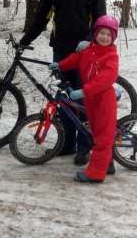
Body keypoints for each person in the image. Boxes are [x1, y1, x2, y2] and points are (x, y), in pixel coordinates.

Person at [19, 0, 106, 166]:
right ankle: (68, 144)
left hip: (86, 53)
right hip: (61, 52)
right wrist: (24, 41)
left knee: (84, 100)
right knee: (64, 100)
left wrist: (89, 41)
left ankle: (85, 146)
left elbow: (100, 20)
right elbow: (41, 18)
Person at [50, 15, 119, 183]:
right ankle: (108, 163)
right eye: (102, 33)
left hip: (103, 98)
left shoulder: (111, 57)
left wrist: (83, 91)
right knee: (96, 133)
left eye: (109, 35)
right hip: (91, 99)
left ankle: (95, 174)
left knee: (103, 137)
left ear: (113, 38)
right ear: (95, 33)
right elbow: (76, 59)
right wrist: (60, 65)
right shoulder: (89, 50)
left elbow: (106, 78)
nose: (104, 37)